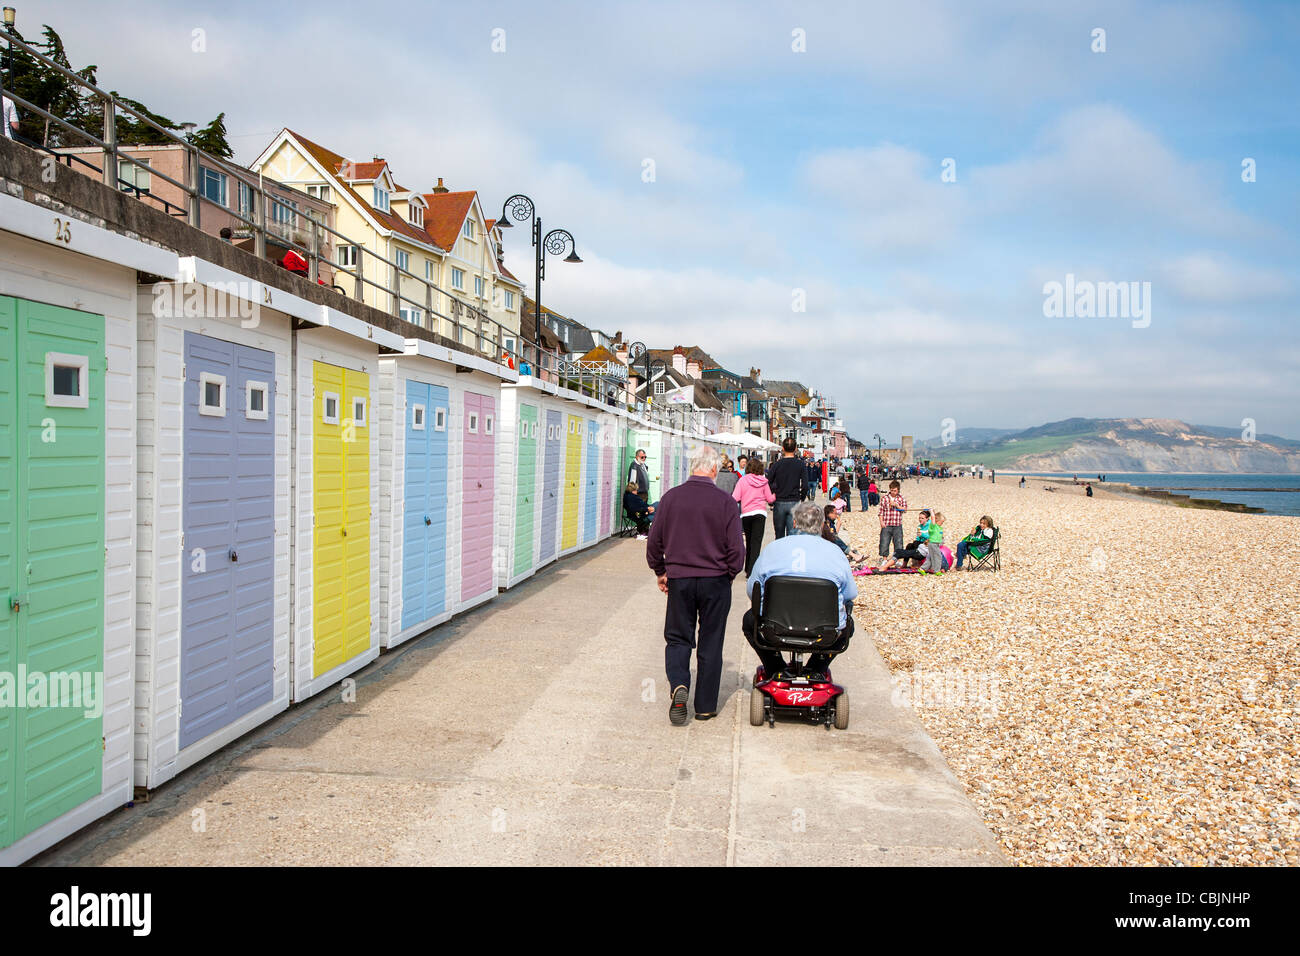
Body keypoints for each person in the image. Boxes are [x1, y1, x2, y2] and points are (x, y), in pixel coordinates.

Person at [647, 444, 744, 725]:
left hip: (681, 579)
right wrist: (729, 574)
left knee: (678, 637)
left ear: (692, 468)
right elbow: (737, 550)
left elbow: (655, 543)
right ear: (714, 469)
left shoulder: (671, 498)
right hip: (715, 580)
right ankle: (704, 706)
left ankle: (679, 683)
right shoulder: (725, 502)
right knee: (711, 641)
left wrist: (661, 571)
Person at [744, 501, 858, 681]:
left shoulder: (773, 548)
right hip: (825, 629)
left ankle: (776, 668)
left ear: (795, 523)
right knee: (847, 625)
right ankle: (816, 667)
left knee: (750, 620)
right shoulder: (835, 552)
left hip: (776, 626)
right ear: (822, 525)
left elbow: (752, 590)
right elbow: (851, 593)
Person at [733, 457, 775, 576]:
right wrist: (776, 495)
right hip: (760, 513)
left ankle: (747, 568)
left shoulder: (742, 480)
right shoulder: (764, 481)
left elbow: (735, 497)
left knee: (749, 541)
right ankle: (752, 570)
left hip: (746, 513)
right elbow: (770, 499)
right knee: (756, 542)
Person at [765, 438, 808, 539]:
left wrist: (771, 497)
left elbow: (768, 482)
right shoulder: (800, 464)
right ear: (796, 448)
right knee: (792, 535)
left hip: (779, 501)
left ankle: (780, 554)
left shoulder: (777, 465)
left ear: (783, 448)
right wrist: (802, 497)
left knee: (779, 535)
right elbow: (805, 485)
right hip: (794, 500)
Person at [877, 479, 907, 567]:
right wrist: (881, 522)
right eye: (892, 490)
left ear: (898, 490)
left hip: (897, 523)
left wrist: (897, 505)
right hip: (887, 523)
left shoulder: (901, 498)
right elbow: (880, 511)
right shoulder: (884, 498)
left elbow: (905, 509)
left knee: (898, 542)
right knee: (884, 541)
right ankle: (885, 559)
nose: (893, 492)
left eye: (895, 490)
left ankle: (896, 559)